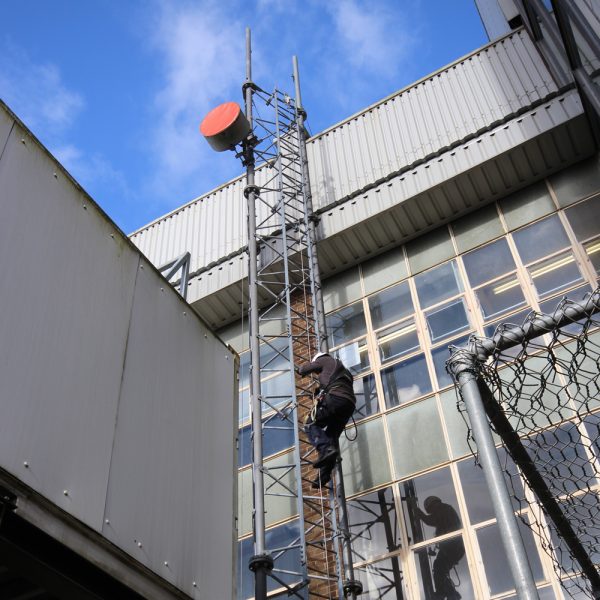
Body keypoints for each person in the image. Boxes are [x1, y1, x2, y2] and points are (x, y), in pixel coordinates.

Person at [297, 352, 356, 489]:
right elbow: (333, 382)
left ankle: (325, 450)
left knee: (310, 422)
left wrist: (300, 370)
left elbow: (304, 369)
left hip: (336, 399)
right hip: (348, 405)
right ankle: (324, 474)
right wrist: (320, 390)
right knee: (331, 435)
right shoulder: (344, 371)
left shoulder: (324, 360)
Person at [412, 496, 464, 600]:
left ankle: (445, 593)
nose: (431, 512)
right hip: (454, 546)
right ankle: (449, 593)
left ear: (431, 505)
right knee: (441, 570)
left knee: (439, 567)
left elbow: (430, 520)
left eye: (430, 510)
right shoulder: (445, 510)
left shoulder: (442, 508)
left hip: (452, 546)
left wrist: (418, 512)